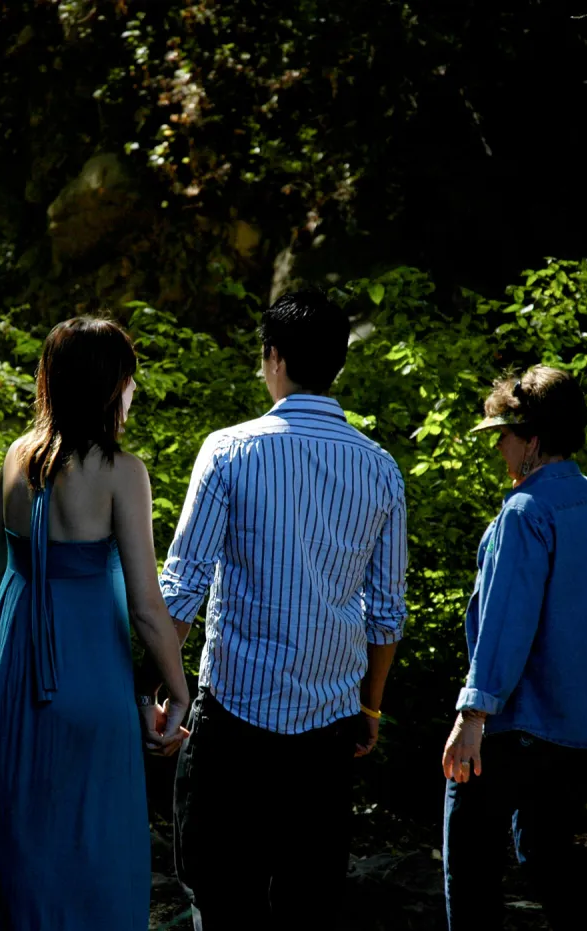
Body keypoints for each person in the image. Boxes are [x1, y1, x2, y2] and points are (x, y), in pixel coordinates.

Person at [156, 288, 408, 931]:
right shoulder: (380, 468)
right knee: (308, 902)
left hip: (234, 716)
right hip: (330, 723)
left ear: (272, 357)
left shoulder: (229, 450)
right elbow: (385, 611)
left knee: (220, 896)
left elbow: (183, 585)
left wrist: (168, 689)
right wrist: (370, 707)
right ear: (339, 365)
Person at [0, 317, 190, 931]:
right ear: (114, 387)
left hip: (11, 667)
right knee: (92, 837)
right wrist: (178, 687)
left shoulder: (18, 456)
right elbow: (146, 605)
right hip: (88, 673)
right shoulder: (122, 471)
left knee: (11, 828)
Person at [441, 365, 587, 931]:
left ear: (533, 440)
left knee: (469, 859)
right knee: (550, 855)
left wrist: (473, 713)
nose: (500, 449)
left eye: (504, 436)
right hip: (583, 725)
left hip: (520, 726)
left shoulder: (525, 512)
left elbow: (505, 621)